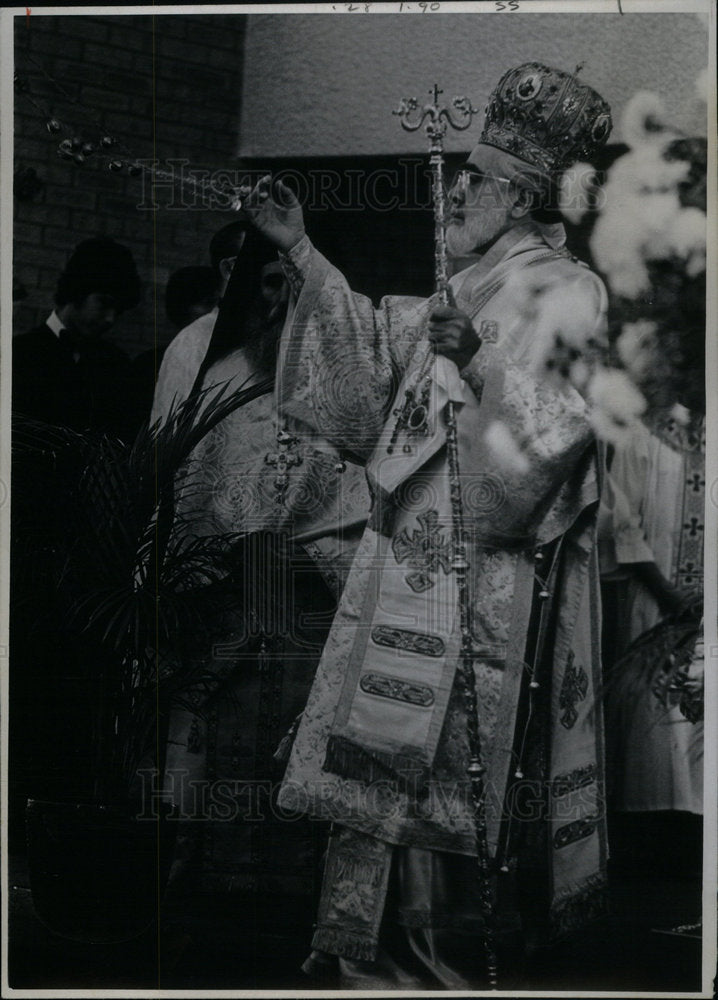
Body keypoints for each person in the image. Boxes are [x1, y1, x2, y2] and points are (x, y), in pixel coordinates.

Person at [243, 62, 613, 988]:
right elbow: (370, 373)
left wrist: (484, 363)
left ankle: (427, 966)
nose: (454, 191)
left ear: (521, 193)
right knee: (376, 766)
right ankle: (358, 959)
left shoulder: (569, 291)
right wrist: (302, 254)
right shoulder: (469, 282)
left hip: (479, 587)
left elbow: (561, 424)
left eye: (473, 180)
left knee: (438, 781)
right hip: (402, 570)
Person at [12, 236, 141, 441]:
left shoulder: (116, 364)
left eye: (118, 311)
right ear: (77, 291)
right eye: (104, 303)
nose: (110, 319)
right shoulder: (19, 353)